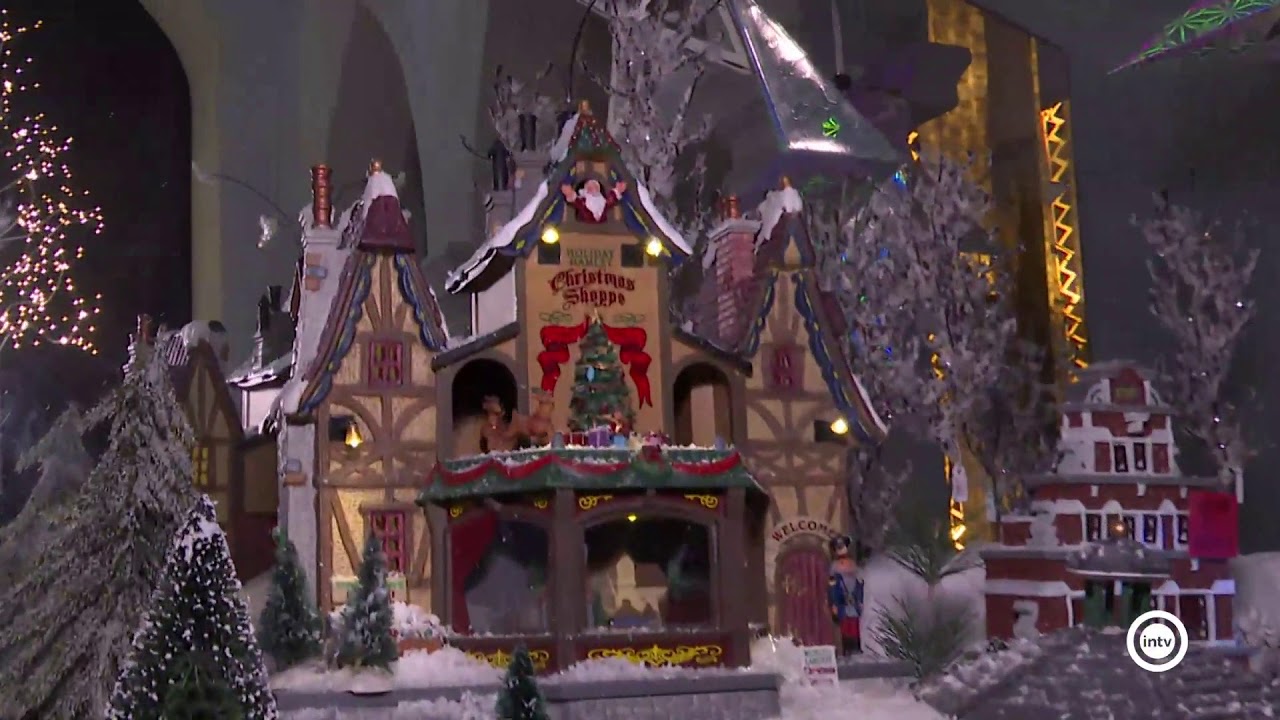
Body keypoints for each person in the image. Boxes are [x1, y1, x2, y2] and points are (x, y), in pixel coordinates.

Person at [828, 535, 865, 655]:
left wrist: (860, 598)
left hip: (853, 600)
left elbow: (859, 582)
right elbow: (833, 587)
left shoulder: (853, 565)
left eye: (842, 546)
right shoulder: (834, 567)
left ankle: (856, 646)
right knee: (845, 625)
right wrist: (834, 603)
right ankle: (847, 647)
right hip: (842, 601)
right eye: (838, 546)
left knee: (854, 623)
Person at [561, 178, 626, 223]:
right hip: (586, 221)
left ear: (598, 190)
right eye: (588, 187)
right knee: (581, 206)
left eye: (594, 186)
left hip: (601, 222)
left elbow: (610, 200)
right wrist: (570, 194)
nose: (590, 188)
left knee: (607, 204)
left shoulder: (602, 201)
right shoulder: (584, 200)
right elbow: (577, 201)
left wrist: (618, 190)